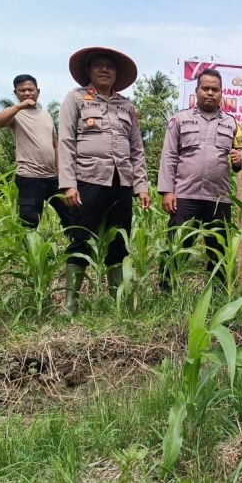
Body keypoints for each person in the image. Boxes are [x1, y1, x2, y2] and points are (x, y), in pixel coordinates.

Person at [58, 47, 151, 314]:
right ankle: (70, 304)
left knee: (119, 243)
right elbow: (65, 142)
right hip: (87, 180)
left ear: (116, 73)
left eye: (109, 66)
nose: (104, 70)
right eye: (98, 65)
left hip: (121, 183)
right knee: (81, 239)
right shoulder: (75, 99)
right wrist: (68, 183)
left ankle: (116, 303)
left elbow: (137, 148)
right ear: (88, 70)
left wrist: (141, 186)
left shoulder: (127, 106)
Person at [157, 68, 242, 289]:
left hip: (218, 198)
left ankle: (218, 292)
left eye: (215, 89)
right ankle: (167, 290)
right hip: (184, 195)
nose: (210, 93)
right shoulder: (180, 120)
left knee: (218, 248)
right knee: (177, 244)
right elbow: (169, 156)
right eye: (205, 88)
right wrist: (167, 191)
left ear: (221, 93)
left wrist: (240, 158)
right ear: (197, 91)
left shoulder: (232, 123)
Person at [0, 74, 69, 228]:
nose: (27, 93)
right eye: (22, 90)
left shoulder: (46, 115)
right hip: (29, 176)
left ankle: (73, 248)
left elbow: (55, 145)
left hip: (53, 177)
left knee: (70, 214)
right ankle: (29, 252)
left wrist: (61, 173)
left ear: (38, 91)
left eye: (30, 90)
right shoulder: (15, 114)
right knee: (29, 220)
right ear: (16, 93)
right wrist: (19, 106)